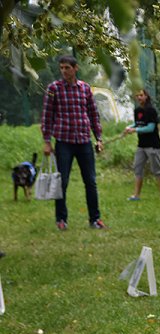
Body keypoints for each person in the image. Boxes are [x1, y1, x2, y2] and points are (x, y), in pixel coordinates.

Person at [40, 55, 105, 230]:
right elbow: (47, 116)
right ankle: (61, 220)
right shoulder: (53, 88)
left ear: (75, 68)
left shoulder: (85, 88)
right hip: (64, 142)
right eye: (61, 68)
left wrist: (98, 138)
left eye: (67, 67)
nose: (64, 71)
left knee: (90, 181)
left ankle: (95, 219)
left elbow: (93, 114)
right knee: (63, 181)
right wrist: (47, 141)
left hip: (84, 141)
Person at [124, 89, 160, 201]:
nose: (139, 97)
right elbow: (138, 123)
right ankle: (136, 196)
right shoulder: (137, 110)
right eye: (137, 95)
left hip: (152, 145)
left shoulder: (151, 111)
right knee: (138, 168)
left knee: (157, 170)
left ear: (146, 97)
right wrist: (129, 127)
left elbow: (150, 128)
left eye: (141, 95)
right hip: (141, 146)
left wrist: (135, 130)